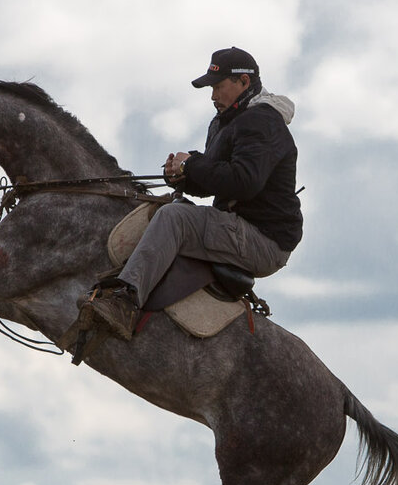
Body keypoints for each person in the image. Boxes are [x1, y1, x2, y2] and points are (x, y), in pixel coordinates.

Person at [88, 46, 302, 339]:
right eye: (211, 88)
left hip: (264, 241)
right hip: (239, 227)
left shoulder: (261, 121)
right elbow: (215, 181)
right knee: (167, 207)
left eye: (218, 87)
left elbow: (243, 182)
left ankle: (125, 304)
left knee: (174, 218)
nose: (213, 96)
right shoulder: (224, 122)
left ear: (244, 83)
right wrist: (181, 177)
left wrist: (193, 164)